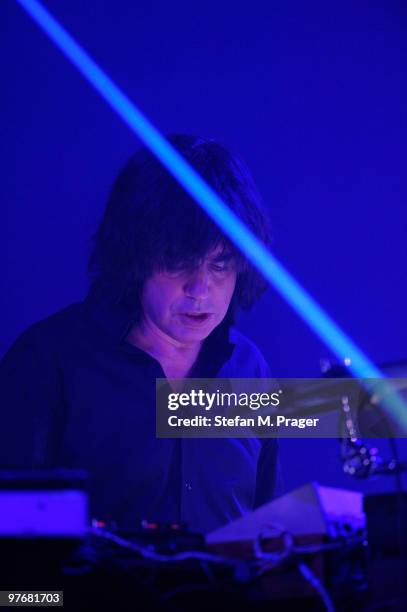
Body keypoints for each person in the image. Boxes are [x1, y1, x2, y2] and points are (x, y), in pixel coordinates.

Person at [0, 134, 279, 534]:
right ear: (135, 257)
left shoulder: (250, 369)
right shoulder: (47, 361)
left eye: (220, 266)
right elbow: (14, 550)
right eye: (179, 262)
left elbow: (269, 535)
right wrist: (41, 601)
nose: (200, 290)